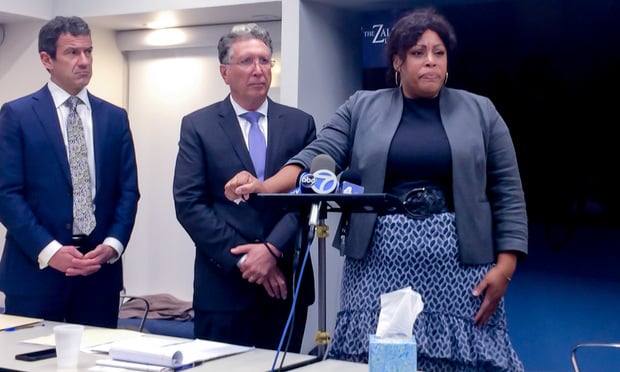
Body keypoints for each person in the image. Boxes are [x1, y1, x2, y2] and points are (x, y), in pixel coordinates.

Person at [225, 7, 527, 371]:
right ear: (398, 61)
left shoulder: (481, 111)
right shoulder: (362, 106)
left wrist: (505, 267)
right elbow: (318, 154)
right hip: (377, 260)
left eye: (438, 52)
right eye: (418, 52)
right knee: (373, 359)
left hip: (458, 263)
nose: (430, 61)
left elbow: (508, 192)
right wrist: (264, 185)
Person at [173, 23, 315, 352]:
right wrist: (246, 261)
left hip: (285, 283)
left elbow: (307, 199)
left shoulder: (299, 124)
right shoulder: (198, 126)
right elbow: (189, 204)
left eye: (265, 61)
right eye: (247, 61)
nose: (258, 70)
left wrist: (271, 250)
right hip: (223, 287)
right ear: (224, 72)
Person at [0, 16, 140, 328]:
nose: (84, 62)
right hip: (35, 274)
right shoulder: (17, 115)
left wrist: (113, 245)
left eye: (89, 52)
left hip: (98, 274)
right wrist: (50, 251)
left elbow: (127, 191)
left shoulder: (114, 118)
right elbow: (7, 195)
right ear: (46, 59)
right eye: (73, 53)